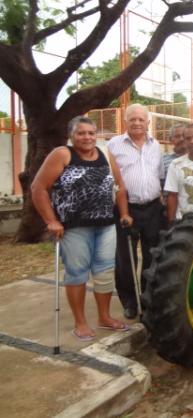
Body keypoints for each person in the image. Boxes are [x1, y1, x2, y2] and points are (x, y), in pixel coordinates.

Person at [31, 116, 132, 340]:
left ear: (96, 135)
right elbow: (38, 188)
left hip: (106, 225)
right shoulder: (62, 154)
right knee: (77, 274)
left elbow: (120, 187)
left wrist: (124, 213)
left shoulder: (105, 153)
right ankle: (80, 322)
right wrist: (51, 221)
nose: (87, 137)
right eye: (81, 133)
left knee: (105, 272)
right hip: (74, 227)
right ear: (71, 135)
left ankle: (104, 317)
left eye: (90, 133)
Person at [107, 104, 163, 319]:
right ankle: (130, 302)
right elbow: (112, 180)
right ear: (125, 121)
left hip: (152, 208)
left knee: (152, 256)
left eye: (141, 119)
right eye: (133, 119)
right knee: (125, 258)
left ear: (148, 122)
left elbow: (158, 175)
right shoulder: (113, 145)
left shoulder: (156, 145)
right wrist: (123, 211)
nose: (137, 123)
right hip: (125, 208)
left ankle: (147, 298)